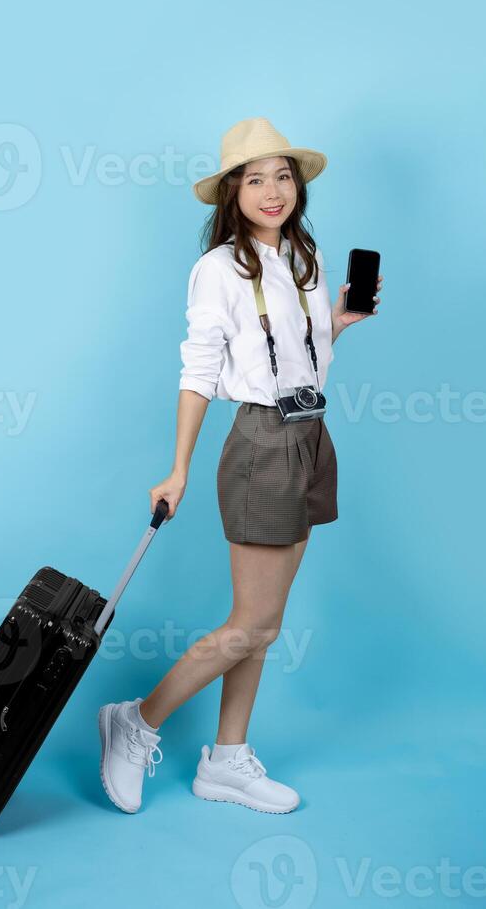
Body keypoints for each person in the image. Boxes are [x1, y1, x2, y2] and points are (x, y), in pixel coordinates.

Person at [97, 117, 384, 815]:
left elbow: (292, 347)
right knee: (251, 622)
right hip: (261, 443)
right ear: (232, 193)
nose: (273, 189)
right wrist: (179, 468)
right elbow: (200, 372)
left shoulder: (303, 256)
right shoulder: (218, 269)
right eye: (255, 178)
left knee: (267, 621)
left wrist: (334, 322)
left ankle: (226, 759)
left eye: (283, 175)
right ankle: (136, 722)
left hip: (312, 436)